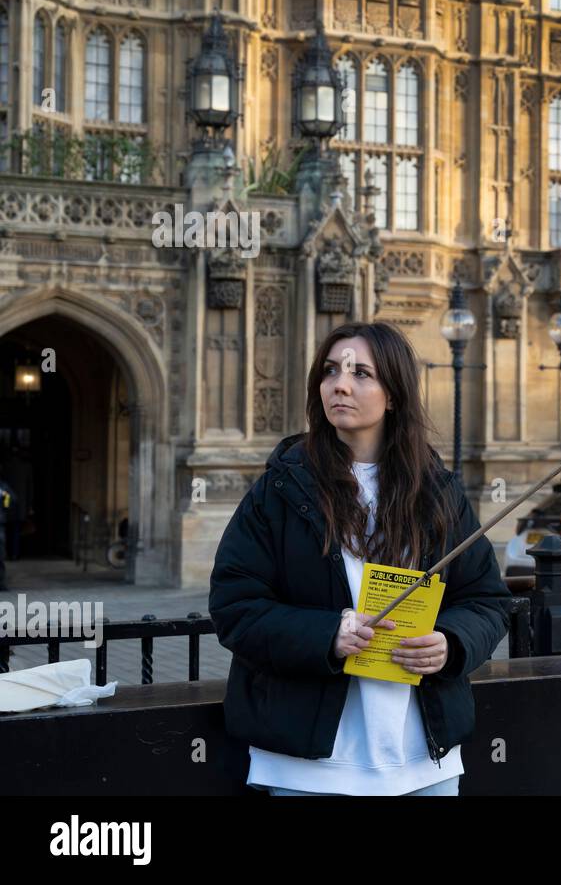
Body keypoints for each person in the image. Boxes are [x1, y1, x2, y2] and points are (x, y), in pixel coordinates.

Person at [209, 321, 512, 796]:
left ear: (393, 395)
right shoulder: (281, 489)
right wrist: (327, 634)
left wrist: (451, 644)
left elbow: (486, 601)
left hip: (423, 762)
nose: (340, 385)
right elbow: (236, 606)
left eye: (361, 374)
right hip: (309, 766)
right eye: (331, 371)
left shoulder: (438, 492)